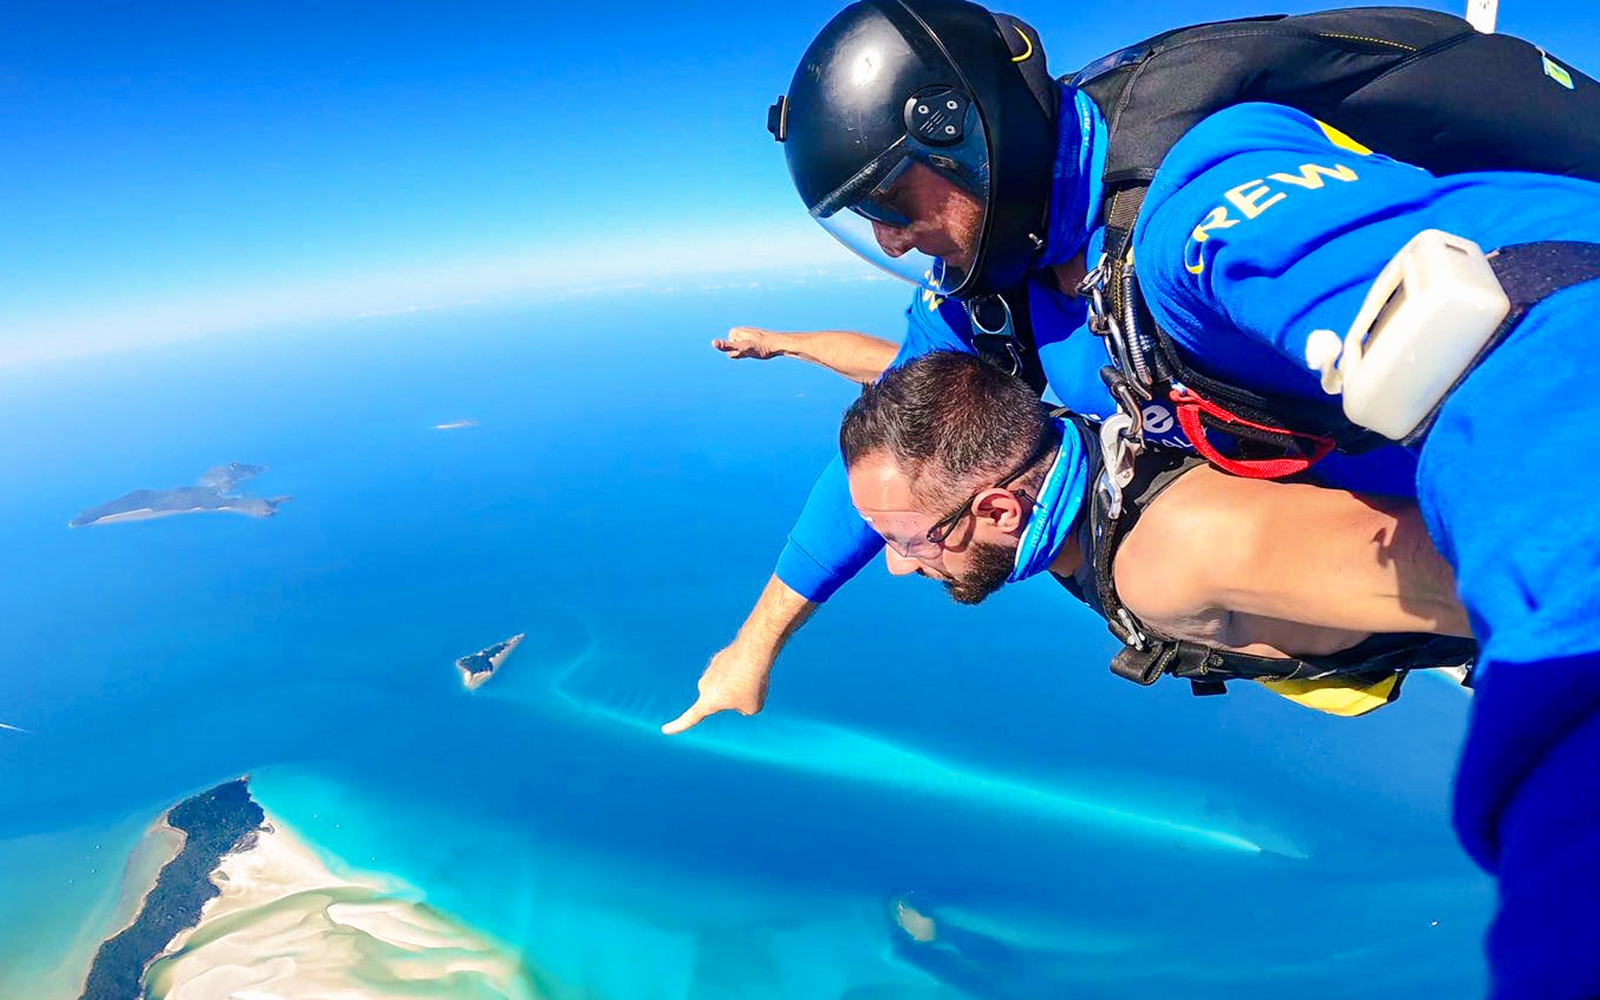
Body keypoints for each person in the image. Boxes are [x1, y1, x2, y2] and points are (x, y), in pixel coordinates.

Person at [675, 4, 1600, 996]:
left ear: (966, 132)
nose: (893, 243)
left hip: (1525, 563)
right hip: (1459, 553)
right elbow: (895, 457)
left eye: (894, 201)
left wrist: (1564, 741)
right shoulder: (992, 286)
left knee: (1164, 566)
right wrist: (755, 643)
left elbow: (1547, 331)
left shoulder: (1206, 206)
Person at [841, 350, 1474, 716]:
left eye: (911, 540)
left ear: (1003, 511)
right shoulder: (1079, 442)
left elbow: (1488, 566)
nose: (899, 565)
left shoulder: (1173, 552)